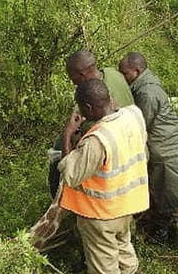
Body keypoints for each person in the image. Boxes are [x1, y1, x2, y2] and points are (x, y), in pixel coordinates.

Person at [57, 78, 154, 274]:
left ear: (89, 109)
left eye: (81, 107)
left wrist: (68, 134)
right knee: (123, 251)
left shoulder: (97, 141)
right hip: (127, 205)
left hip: (101, 214)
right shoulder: (133, 115)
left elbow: (70, 174)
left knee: (105, 269)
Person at [118, 52, 178, 256]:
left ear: (137, 71)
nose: (122, 76)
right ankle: (161, 234)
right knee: (158, 198)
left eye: (125, 72)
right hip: (170, 152)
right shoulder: (145, 86)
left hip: (172, 157)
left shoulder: (147, 93)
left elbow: (139, 125)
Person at [48, 50, 134, 198]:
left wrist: (68, 134)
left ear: (82, 74)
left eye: (73, 79)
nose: (73, 82)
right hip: (130, 142)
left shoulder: (95, 98)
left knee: (60, 162)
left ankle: (64, 204)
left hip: (115, 156)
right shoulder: (112, 73)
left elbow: (83, 137)